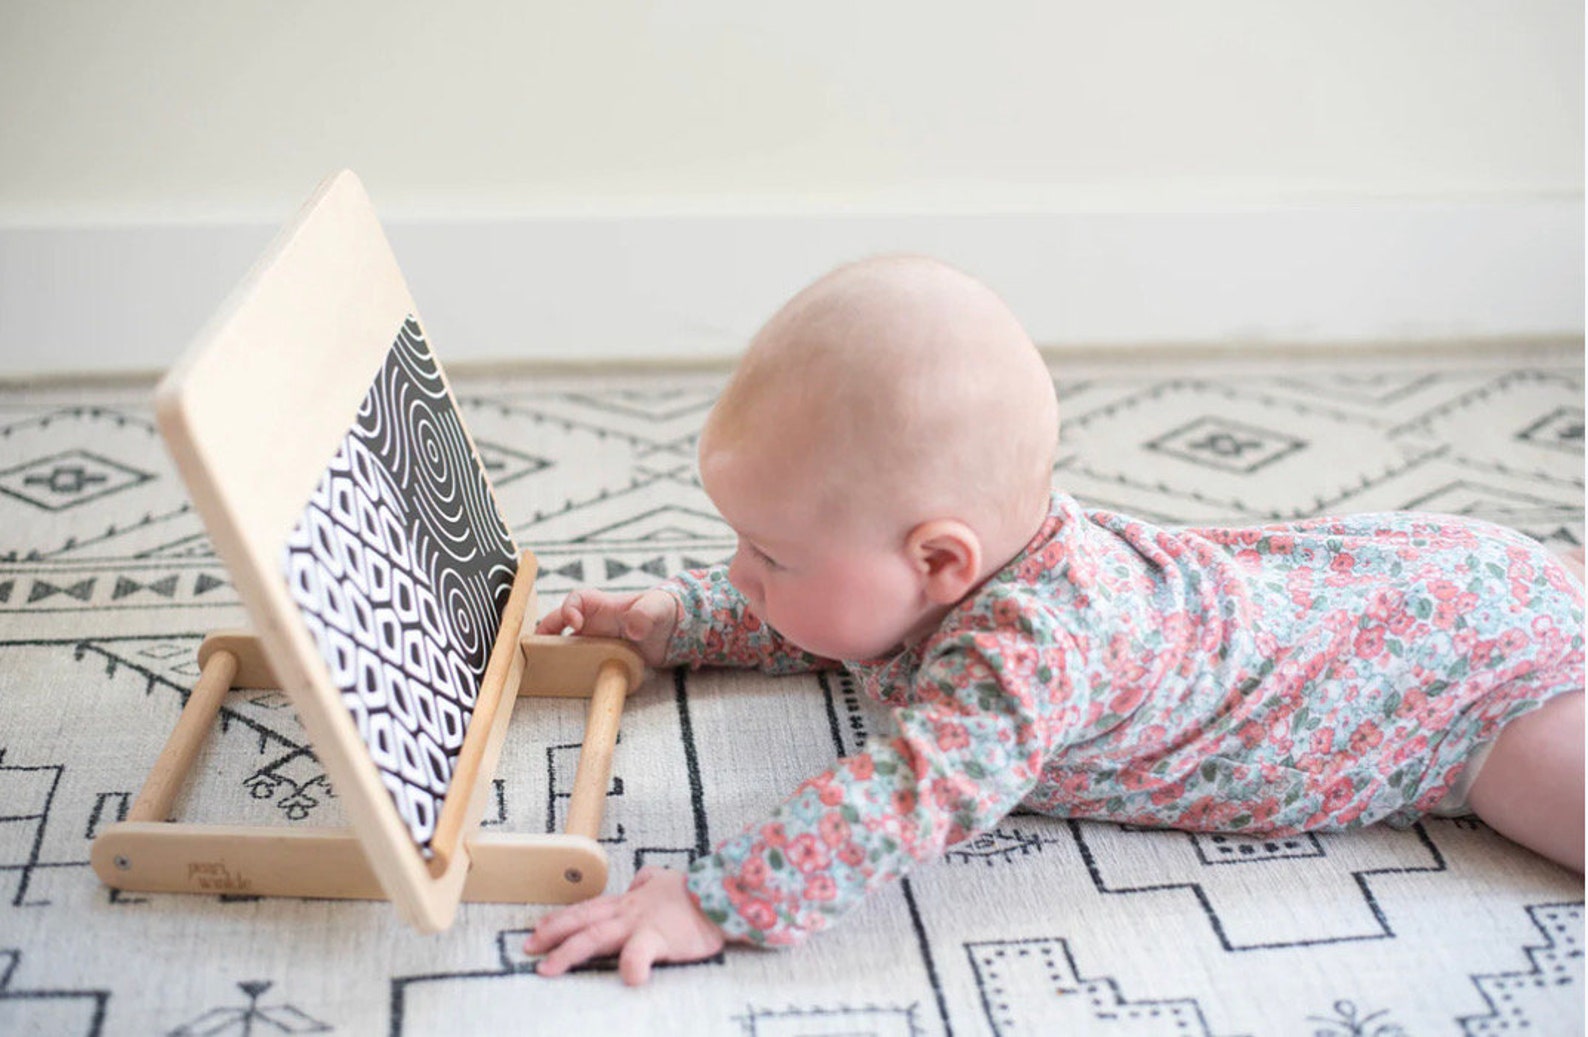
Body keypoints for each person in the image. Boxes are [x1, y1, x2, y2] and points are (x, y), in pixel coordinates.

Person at [524, 255, 1586, 986]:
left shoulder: (1026, 652)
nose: (740, 572)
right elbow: (833, 614)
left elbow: (910, 793)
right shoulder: (946, 567)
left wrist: (717, 900)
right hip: (1417, 572)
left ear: (939, 559)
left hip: (1456, 685)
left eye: (769, 555)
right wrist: (682, 617)